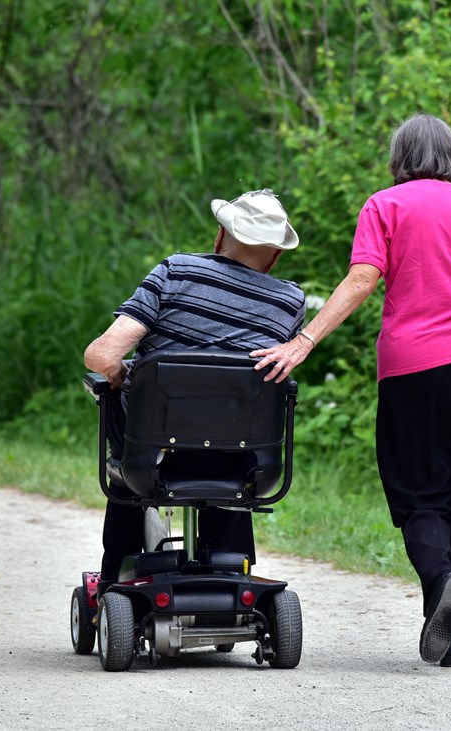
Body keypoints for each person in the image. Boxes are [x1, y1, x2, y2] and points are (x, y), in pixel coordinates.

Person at [251, 114, 451, 667]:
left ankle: (440, 577)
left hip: (414, 367)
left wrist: (303, 341)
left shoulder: (385, 205)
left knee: (420, 491)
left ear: (400, 157)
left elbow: (362, 279)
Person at [84, 188, 305, 585]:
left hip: (154, 456)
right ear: (275, 255)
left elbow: (101, 356)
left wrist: (120, 377)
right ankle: (231, 570)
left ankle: (116, 576)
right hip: (243, 461)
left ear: (220, 236)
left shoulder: (176, 271)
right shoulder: (290, 301)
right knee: (235, 426)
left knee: (124, 420)